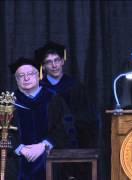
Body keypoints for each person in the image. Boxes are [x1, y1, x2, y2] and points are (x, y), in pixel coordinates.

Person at [35, 42, 97, 179]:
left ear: (63, 61)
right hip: (47, 144)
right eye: (49, 62)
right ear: (43, 67)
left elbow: (88, 117)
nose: (54, 65)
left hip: (75, 143)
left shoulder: (76, 86)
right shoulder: (39, 89)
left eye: (57, 60)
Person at [8, 57, 66, 180]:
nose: (26, 78)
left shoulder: (53, 99)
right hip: (17, 161)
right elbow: (3, 131)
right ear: (16, 79)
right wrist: (20, 148)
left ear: (38, 75)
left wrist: (44, 145)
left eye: (30, 74)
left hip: (49, 158)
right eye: (21, 75)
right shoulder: (8, 103)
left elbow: (64, 127)